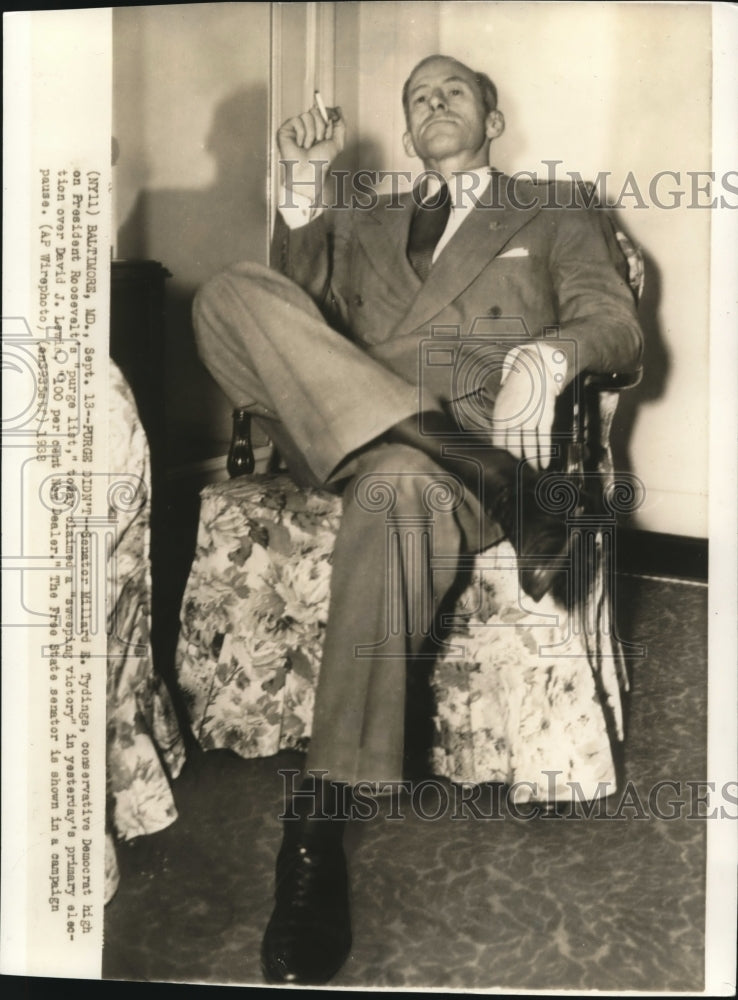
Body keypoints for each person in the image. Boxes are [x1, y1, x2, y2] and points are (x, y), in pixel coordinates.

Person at [193, 54, 643, 985]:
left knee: (400, 491)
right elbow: (293, 313)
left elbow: (617, 325)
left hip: (455, 457)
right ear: (405, 136)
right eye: (417, 98)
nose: (434, 104)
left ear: (493, 118)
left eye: (454, 93)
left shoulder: (556, 205)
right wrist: (306, 189)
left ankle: (313, 838)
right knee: (226, 293)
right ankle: (483, 476)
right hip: (340, 427)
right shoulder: (364, 217)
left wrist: (552, 359)